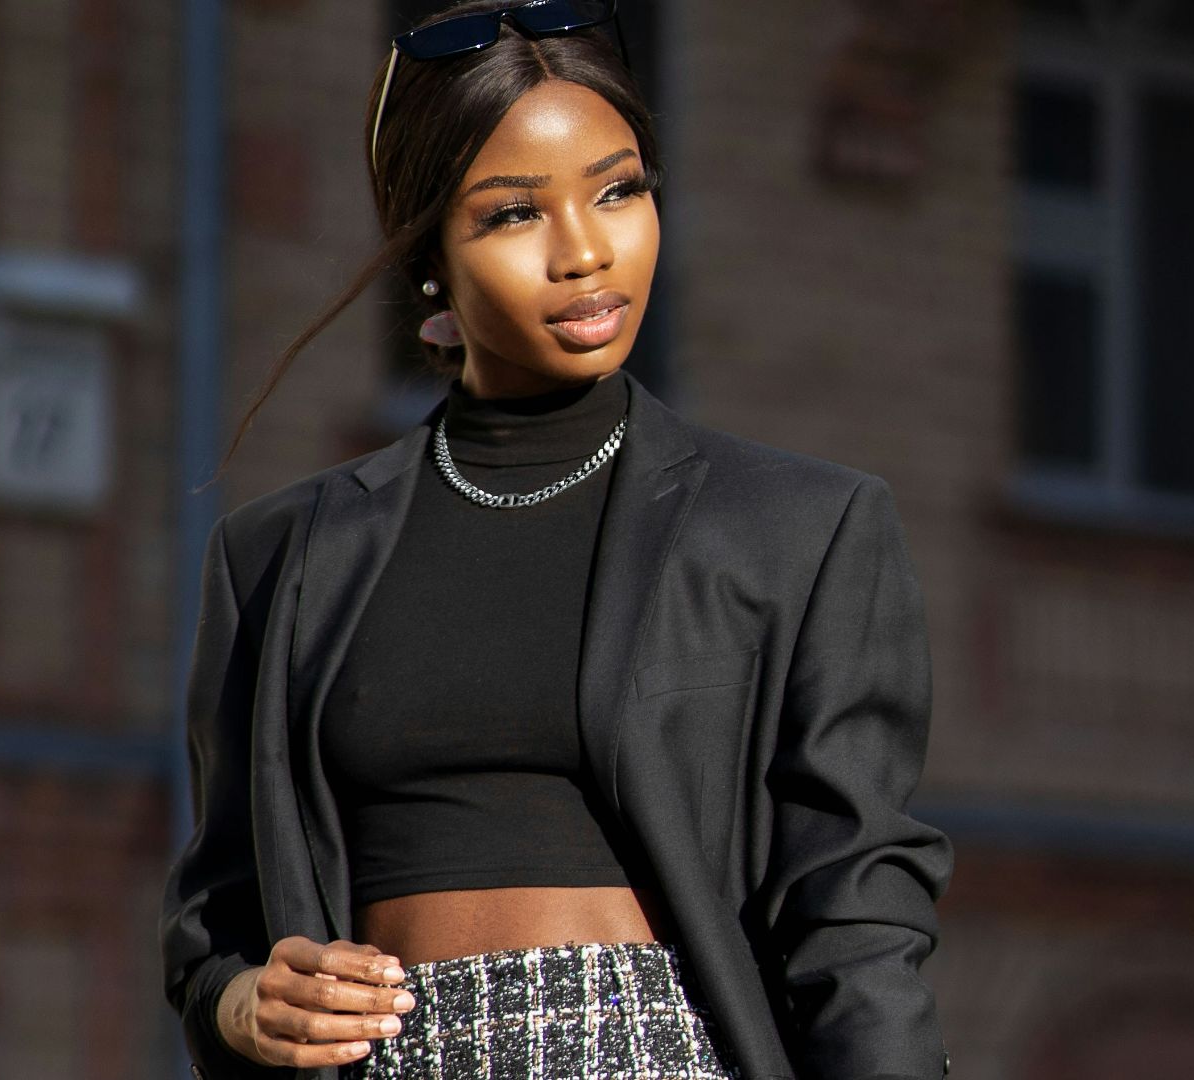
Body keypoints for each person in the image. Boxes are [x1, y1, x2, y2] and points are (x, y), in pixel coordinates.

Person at [157, 2, 956, 1077]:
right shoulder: (280, 559)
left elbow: (857, 923)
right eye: (514, 214)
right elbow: (214, 930)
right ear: (429, 248)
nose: (586, 252)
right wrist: (247, 1003)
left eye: (620, 190)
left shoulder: (798, 532)